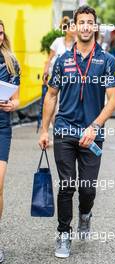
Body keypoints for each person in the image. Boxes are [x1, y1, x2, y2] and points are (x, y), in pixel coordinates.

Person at [39, 5, 115, 258]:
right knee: (67, 185)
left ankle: (86, 213)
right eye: (81, 22)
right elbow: (51, 96)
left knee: (87, 188)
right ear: (74, 27)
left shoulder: (107, 61)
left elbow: (113, 100)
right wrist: (44, 130)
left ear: (95, 27)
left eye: (90, 22)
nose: (85, 26)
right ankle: (63, 234)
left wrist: (95, 127)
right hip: (64, 130)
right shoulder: (62, 61)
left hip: (92, 134)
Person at [0, 20, 20, 263]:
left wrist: (12, 104)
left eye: (1, 31)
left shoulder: (11, 62)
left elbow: (17, 100)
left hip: (2, 127)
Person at [42, 16, 75, 83]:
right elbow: (49, 58)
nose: (75, 30)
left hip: (70, 80)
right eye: (72, 28)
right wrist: (45, 73)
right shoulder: (58, 41)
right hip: (55, 77)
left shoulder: (77, 44)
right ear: (66, 29)